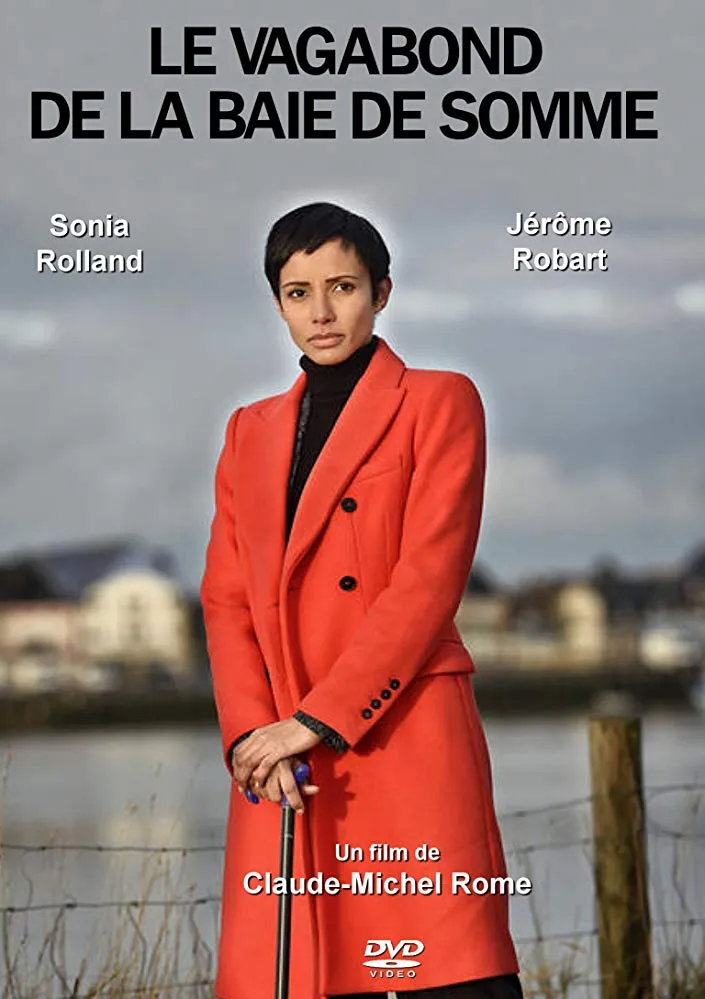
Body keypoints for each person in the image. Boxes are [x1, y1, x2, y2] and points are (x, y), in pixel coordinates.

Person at [201, 202, 523, 999]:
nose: (319, 311)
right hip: (285, 755)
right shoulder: (249, 430)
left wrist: (318, 717)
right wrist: (252, 736)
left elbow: (427, 579)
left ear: (381, 291)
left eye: (341, 286)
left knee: (444, 973)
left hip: (401, 727)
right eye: (296, 290)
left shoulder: (439, 401)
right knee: (306, 973)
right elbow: (226, 596)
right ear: (276, 302)